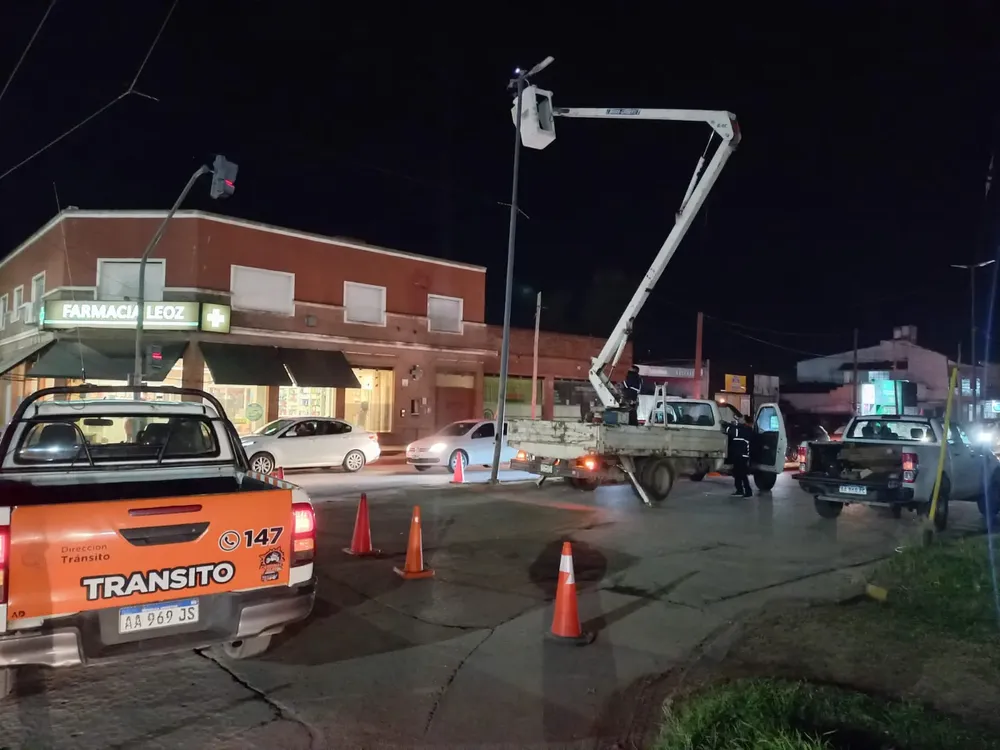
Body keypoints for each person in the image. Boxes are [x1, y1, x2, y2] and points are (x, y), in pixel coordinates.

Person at [729, 414, 754, 498]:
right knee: (737, 473)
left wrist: (727, 425)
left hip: (742, 455)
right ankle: (739, 490)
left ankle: (748, 491)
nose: (740, 419)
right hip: (737, 454)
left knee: (742, 474)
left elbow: (731, 431)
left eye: (742, 419)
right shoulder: (742, 429)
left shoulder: (746, 430)